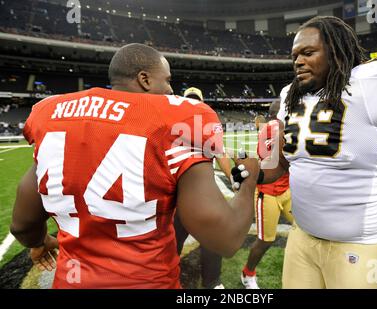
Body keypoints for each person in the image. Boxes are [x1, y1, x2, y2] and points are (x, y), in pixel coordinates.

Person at [10, 43, 259, 289]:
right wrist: (249, 182)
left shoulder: (56, 113)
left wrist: (40, 242)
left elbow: (22, 224)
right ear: (145, 79)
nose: (171, 90)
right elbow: (225, 239)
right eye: (168, 80)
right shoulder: (175, 119)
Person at [247, 16, 377, 288]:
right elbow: (280, 165)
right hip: (303, 238)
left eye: (308, 53)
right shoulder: (290, 96)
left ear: (337, 51)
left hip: (366, 244)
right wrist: (246, 172)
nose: (298, 61)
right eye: (295, 55)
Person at [173, 86, 230, 289]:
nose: (193, 103)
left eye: (196, 99)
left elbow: (220, 154)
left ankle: (212, 282)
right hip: (178, 195)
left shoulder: (207, 125)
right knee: (173, 241)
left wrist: (233, 177)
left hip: (202, 194)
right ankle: (167, 275)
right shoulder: (173, 124)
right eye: (190, 99)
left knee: (212, 239)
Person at [241, 106, 293, 289]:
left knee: (305, 227)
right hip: (268, 191)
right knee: (266, 240)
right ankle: (248, 273)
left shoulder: (284, 124)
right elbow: (271, 161)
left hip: (287, 189)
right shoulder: (272, 127)